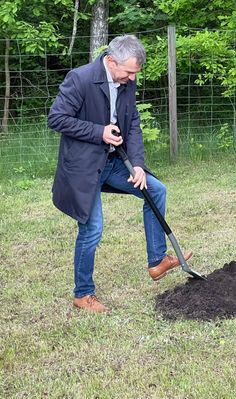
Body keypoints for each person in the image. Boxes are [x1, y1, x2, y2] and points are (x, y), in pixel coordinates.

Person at [48, 35, 192, 313]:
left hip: (114, 162)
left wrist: (137, 164)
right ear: (111, 61)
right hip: (83, 168)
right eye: (128, 72)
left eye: (135, 73)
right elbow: (57, 118)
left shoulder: (127, 80)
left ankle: (157, 261)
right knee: (92, 229)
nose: (132, 78)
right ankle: (83, 294)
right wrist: (99, 132)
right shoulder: (80, 79)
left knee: (156, 190)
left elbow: (133, 122)